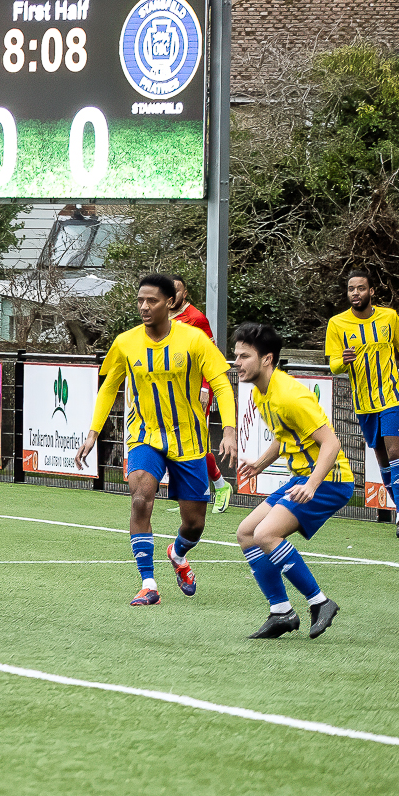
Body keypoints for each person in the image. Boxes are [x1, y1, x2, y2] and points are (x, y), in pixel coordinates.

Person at [75, 274, 237, 606]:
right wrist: (93, 432)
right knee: (140, 499)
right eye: (140, 301)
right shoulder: (125, 342)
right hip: (144, 435)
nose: (144, 307)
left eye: (152, 300)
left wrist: (230, 430)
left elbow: (221, 383)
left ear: (169, 302)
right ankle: (148, 584)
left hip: (188, 440)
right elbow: (108, 387)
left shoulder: (194, 339)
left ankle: (177, 554)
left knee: (194, 524)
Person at [231, 322, 347, 639]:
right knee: (246, 533)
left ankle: (320, 602)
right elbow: (284, 437)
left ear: (267, 359)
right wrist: (260, 463)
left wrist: (311, 485)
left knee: (266, 533)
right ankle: (281, 611)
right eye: (236, 355)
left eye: (244, 356)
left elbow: (332, 443)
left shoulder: (290, 395)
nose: (237, 362)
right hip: (303, 477)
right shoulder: (261, 392)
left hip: (329, 480)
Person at [325, 271, 399, 538]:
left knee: (394, 451)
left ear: (372, 291)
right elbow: (333, 365)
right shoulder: (337, 323)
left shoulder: (389, 317)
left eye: (361, 288)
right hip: (364, 402)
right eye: (351, 289)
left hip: (391, 394)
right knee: (381, 457)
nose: (356, 293)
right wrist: (343, 361)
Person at [166, 275, 235, 514]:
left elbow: (211, 355)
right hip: (174, 391)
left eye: (177, 290)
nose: (172, 295)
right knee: (177, 444)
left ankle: (221, 486)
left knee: (196, 443)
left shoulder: (196, 318)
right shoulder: (161, 316)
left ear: (185, 293)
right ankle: (190, 496)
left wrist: (206, 386)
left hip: (197, 391)